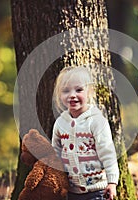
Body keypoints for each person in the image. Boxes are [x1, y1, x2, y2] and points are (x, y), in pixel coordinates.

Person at [52, 66, 119, 200]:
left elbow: (108, 153)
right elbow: (55, 152)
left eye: (79, 90)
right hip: (70, 191)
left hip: (96, 190)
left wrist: (112, 182)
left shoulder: (96, 121)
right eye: (66, 91)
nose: (72, 95)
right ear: (59, 95)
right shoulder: (60, 123)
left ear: (89, 91)